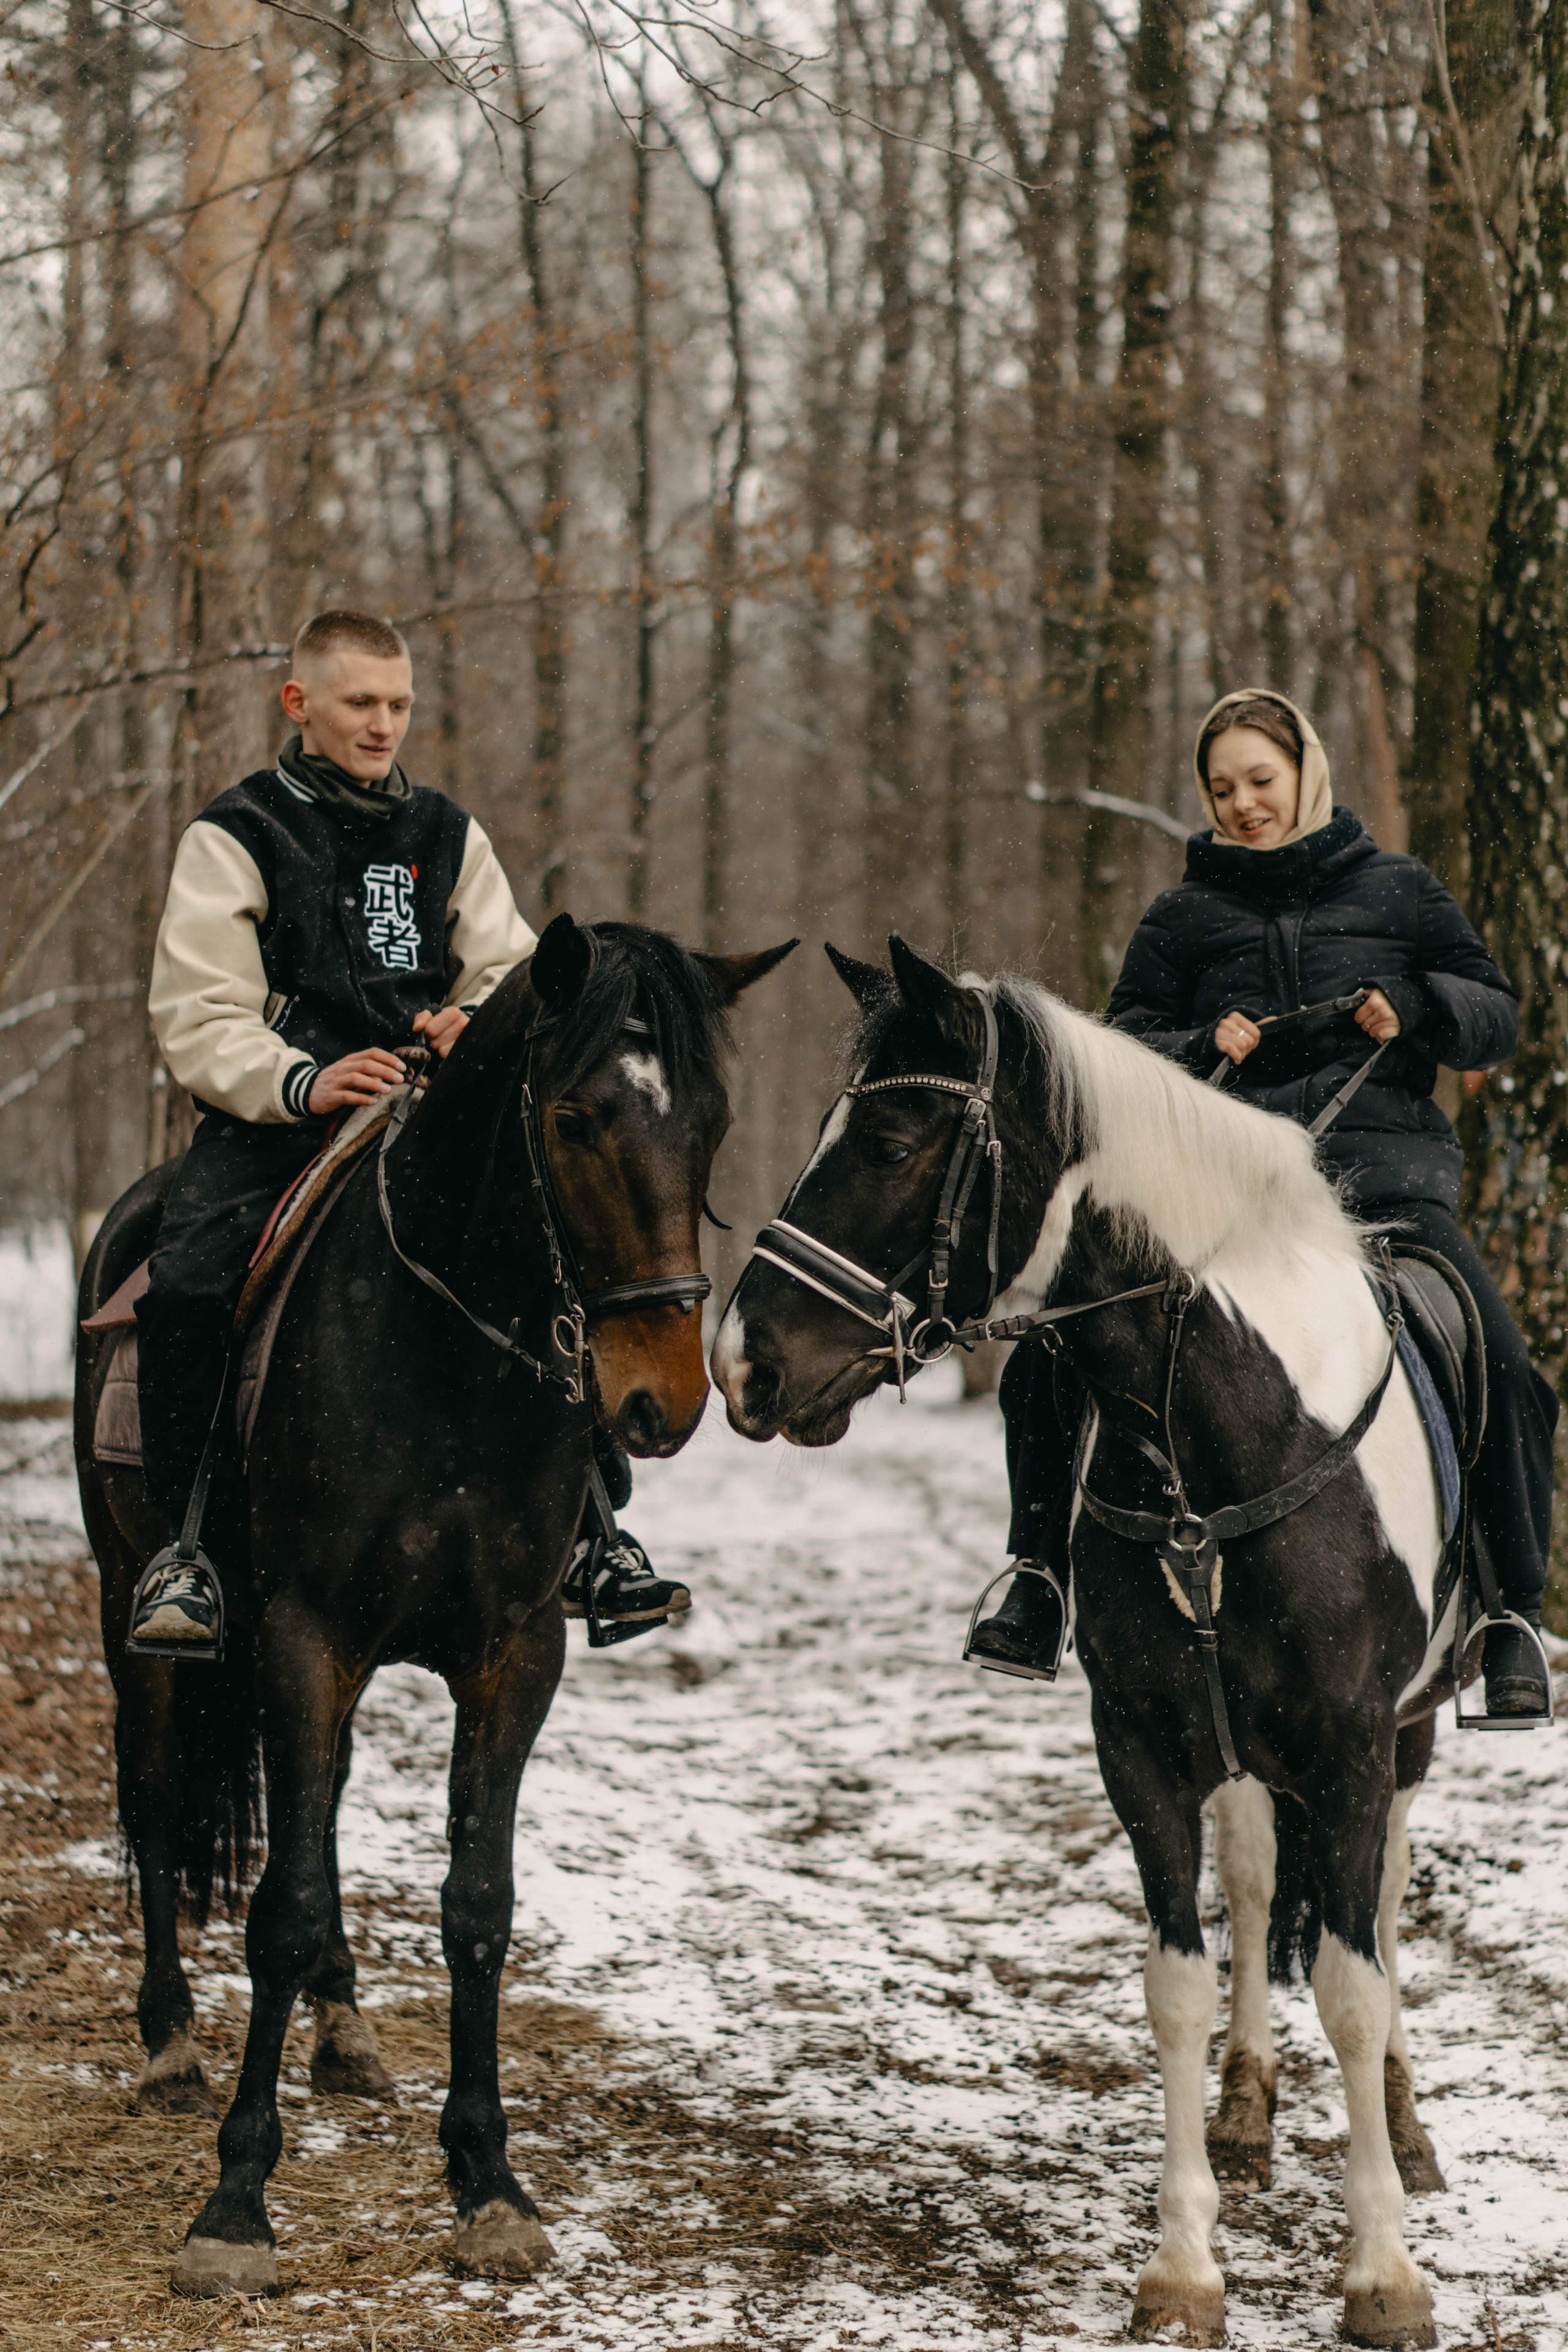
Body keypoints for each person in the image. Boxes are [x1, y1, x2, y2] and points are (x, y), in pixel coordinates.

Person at [968, 685, 1556, 1719]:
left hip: (1385, 1196)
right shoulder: (1182, 918)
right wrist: (1199, 1049)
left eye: (1261, 781)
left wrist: (1416, 1006)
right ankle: (1035, 1580)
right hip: (1225, 1213)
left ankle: (1510, 1616)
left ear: (1306, 772)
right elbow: (1116, 1057)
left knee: (1503, 1363)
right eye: (1222, 787)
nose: (1244, 804)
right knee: (1048, 1357)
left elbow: (1496, 1016)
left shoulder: (1401, 890)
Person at [130, 609, 688, 1653]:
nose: (383, 725)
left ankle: (596, 1532)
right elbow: (198, 1011)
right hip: (277, 1126)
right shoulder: (236, 834)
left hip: (431, 1121)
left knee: (556, 1258)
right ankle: (189, 1547)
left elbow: (512, 974)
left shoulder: (446, 834)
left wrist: (472, 1025)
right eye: (360, 704)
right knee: (194, 1281)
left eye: (398, 705)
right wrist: (301, 1078)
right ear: (299, 703)